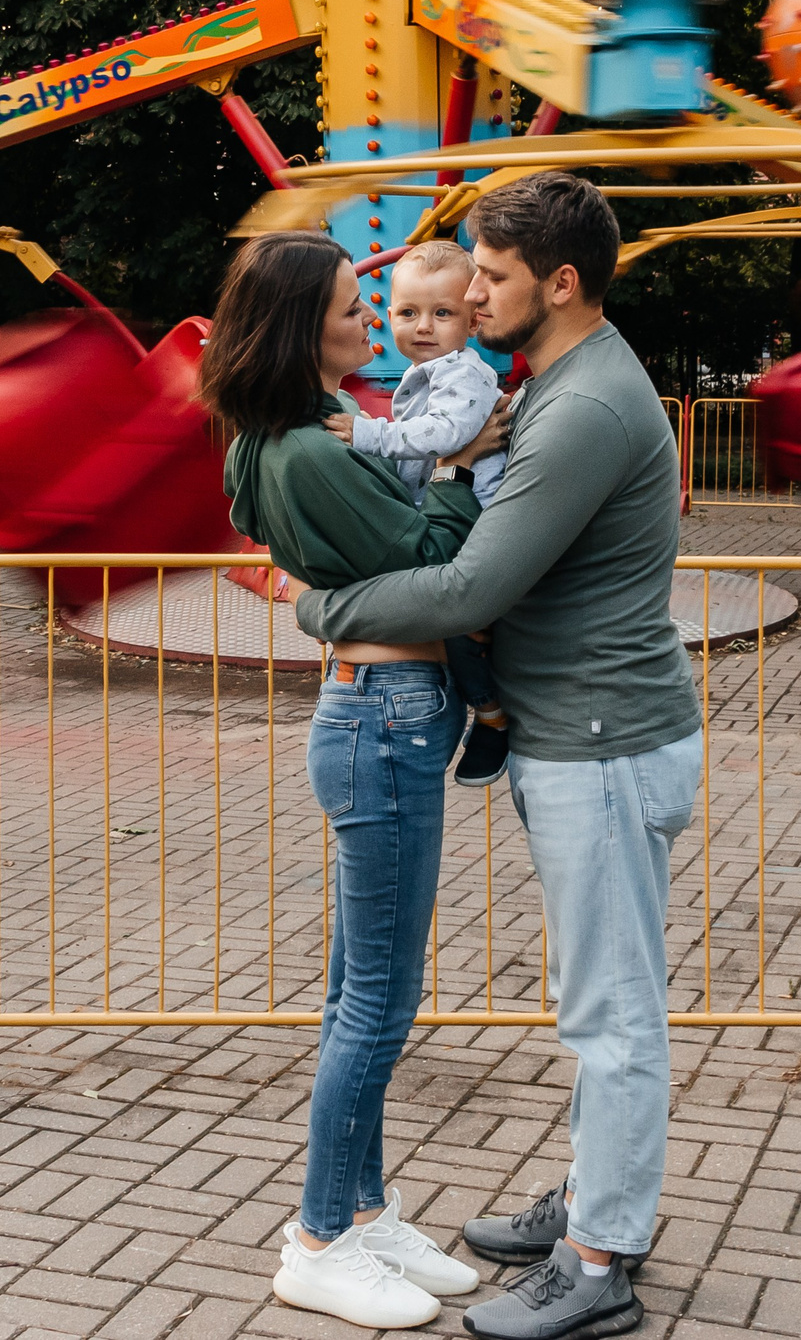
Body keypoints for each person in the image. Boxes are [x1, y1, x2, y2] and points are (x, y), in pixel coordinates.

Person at [294, 172, 702, 1340]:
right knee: (595, 997)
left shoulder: (581, 409)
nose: (469, 295)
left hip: (600, 740)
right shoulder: (560, 382)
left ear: (558, 284)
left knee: (610, 1014)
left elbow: (475, 584)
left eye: (491, 276)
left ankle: (599, 1257)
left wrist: (327, 608)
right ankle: (591, 1197)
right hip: (583, 734)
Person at [200, 230, 508, 1331]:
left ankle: (364, 1211)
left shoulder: (276, 439)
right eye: (349, 307)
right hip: (389, 712)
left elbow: (269, 532)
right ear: (299, 326)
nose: (370, 321)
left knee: (358, 991)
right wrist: (463, 470)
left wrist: (331, 589)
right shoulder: (313, 450)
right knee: (377, 1001)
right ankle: (320, 1237)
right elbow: (437, 565)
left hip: (378, 707)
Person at [321, 238, 515, 787]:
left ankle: (493, 714)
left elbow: (447, 434)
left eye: (442, 313)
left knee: (460, 629)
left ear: (472, 321)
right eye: (408, 312)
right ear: (390, 317)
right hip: (448, 508)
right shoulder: (426, 374)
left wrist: (370, 434)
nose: (423, 326)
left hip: (474, 516)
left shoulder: (462, 373)